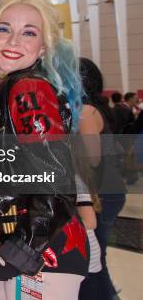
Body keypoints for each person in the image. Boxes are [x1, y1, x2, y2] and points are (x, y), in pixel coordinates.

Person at [0, 0, 88, 299]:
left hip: (42, 255)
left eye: (28, 32)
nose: (14, 41)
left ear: (43, 47)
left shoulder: (28, 89)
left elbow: (55, 182)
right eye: (3, 29)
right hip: (13, 249)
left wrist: (16, 255)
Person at [77, 58, 126, 300]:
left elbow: (91, 160)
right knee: (96, 258)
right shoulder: (93, 107)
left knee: (95, 260)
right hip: (107, 189)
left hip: (102, 193)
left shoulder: (85, 111)